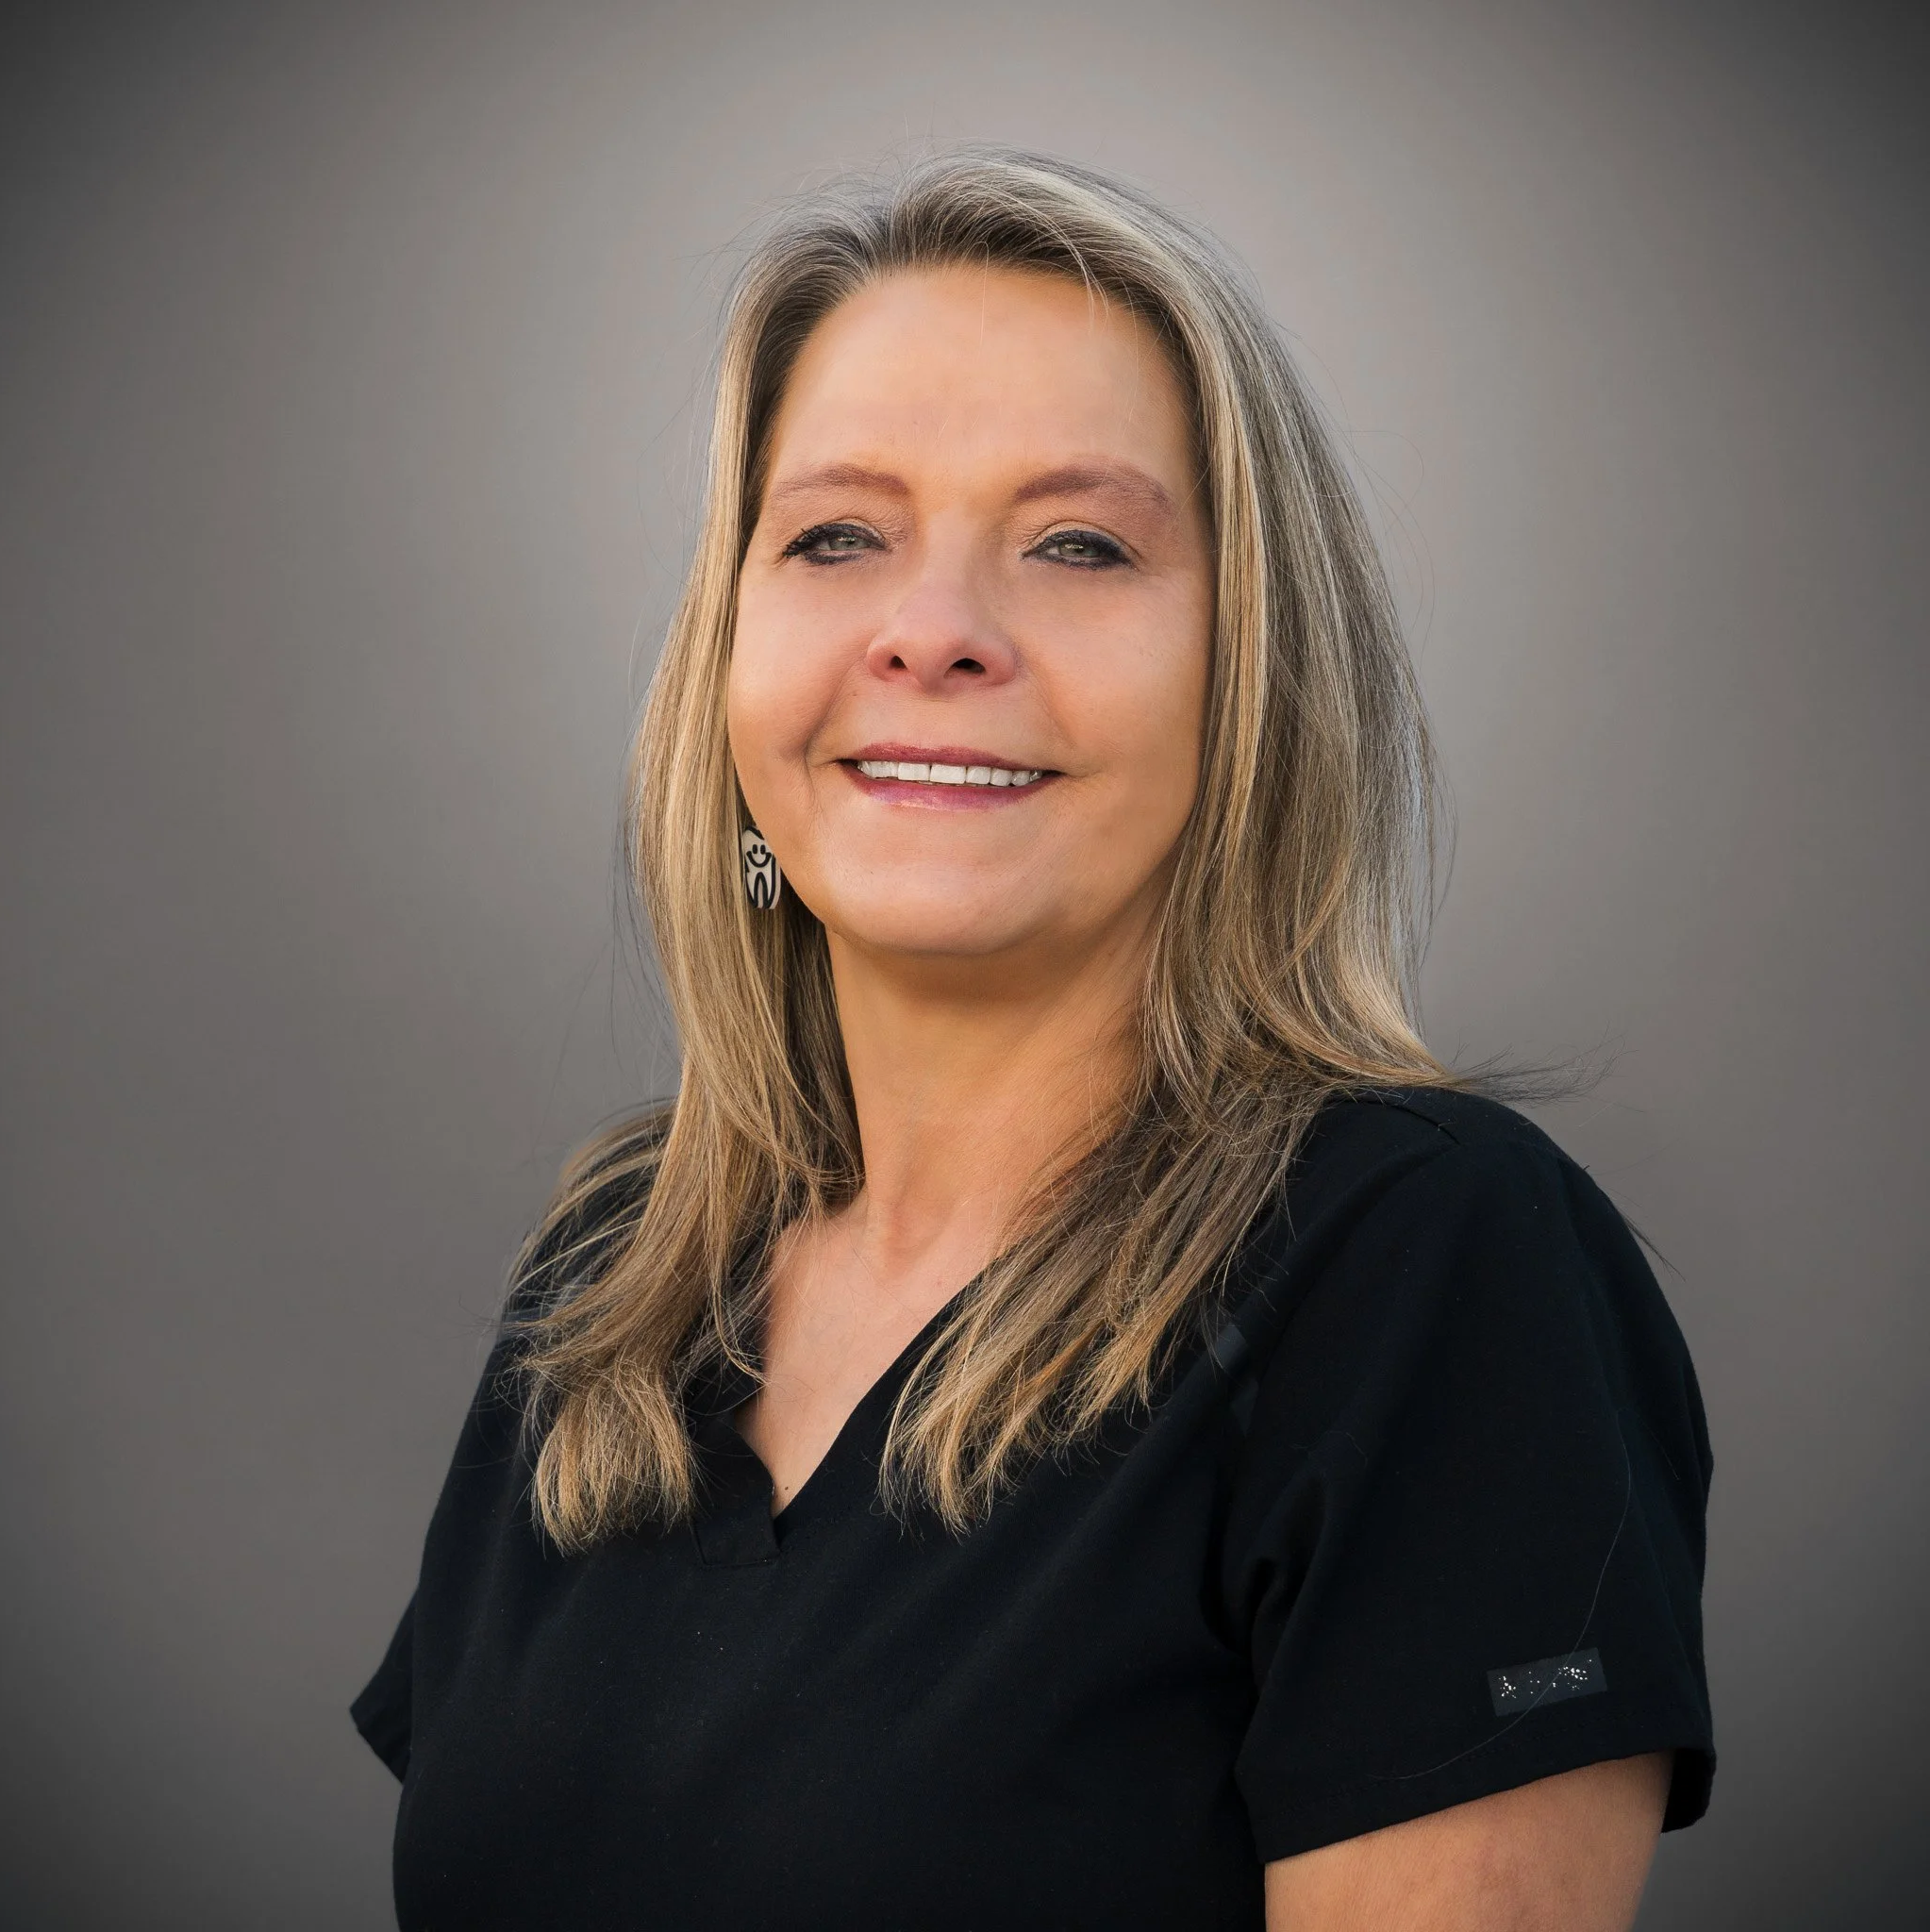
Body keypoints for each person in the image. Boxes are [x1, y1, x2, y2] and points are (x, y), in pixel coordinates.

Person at [353, 149, 1713, 1930]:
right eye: (838, 534)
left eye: (1080, 543)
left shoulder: (1430, 1265)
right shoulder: (620, 1272)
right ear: (730, 653)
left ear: (1254, 682)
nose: (934, 634)